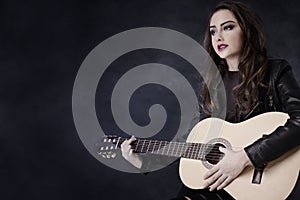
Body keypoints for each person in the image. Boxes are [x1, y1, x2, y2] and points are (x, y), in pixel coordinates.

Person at [121, 1, 300, 199]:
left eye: (228, 27)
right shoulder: (213, 83)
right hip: (214, 183)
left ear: (247, 31)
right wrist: (144, 162)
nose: (219, 37)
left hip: (251, 182)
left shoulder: (275, 71)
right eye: (213, 32)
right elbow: (190, 140)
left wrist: (245, 157)